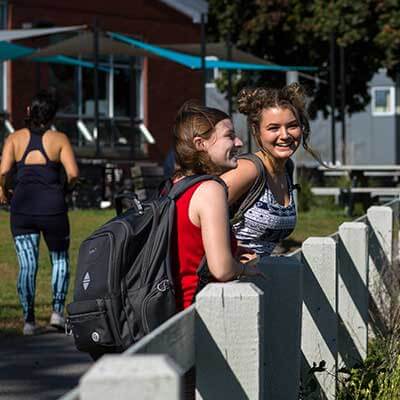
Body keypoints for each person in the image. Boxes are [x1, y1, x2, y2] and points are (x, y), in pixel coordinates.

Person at [171, 101, 264, 311]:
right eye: (229, 136)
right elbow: (221, 269)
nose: (239, 143)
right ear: (200, 143)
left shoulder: (175, 185)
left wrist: (233, 247)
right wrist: (244, 269)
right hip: (196, 310)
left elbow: (188, 245)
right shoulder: (210, 189)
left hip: (172, 307)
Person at [0, 90, 79, 335]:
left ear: (28, 112)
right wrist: (65, 190)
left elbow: (3, 173)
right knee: (59, 260)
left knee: (27, 265)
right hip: (53, 209)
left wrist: (3, 192)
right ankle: (56, 314)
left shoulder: (14, 139)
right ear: (52, 115)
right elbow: (74, 173)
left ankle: (28, 321)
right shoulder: (59, 139)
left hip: (22, 209)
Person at [222, 83, 322, 256]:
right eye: (273, 128)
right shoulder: (249, 169)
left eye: (292, 126)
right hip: (231, 280)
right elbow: (197, 211)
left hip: (263, 277)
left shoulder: (287, 168)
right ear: (256, 131)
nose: (285, 135)